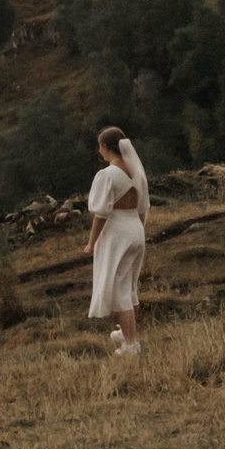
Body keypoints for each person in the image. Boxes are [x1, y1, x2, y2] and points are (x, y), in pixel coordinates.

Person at [86, 125, 149, 356]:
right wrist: (138, 231)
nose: (99, 151)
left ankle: (131, 345)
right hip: (135, 228)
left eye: (100, 146)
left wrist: (91, 243)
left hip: (118, 232)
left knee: (120, 289)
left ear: (105, 147)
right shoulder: (136, 172)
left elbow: (101, 213)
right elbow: (143, 206)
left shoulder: (108, 175)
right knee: (130, 286)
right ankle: (126, 331)